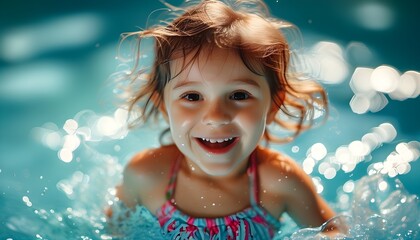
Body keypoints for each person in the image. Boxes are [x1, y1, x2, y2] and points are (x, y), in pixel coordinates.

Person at [109, 0, 342, 238]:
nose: (216, 117)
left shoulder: (279, 182)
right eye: (192, 96)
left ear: (273, 104)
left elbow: (335, 231)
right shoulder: (145, 175)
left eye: (239, 95)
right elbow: (115, 230)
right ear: (165, 107)